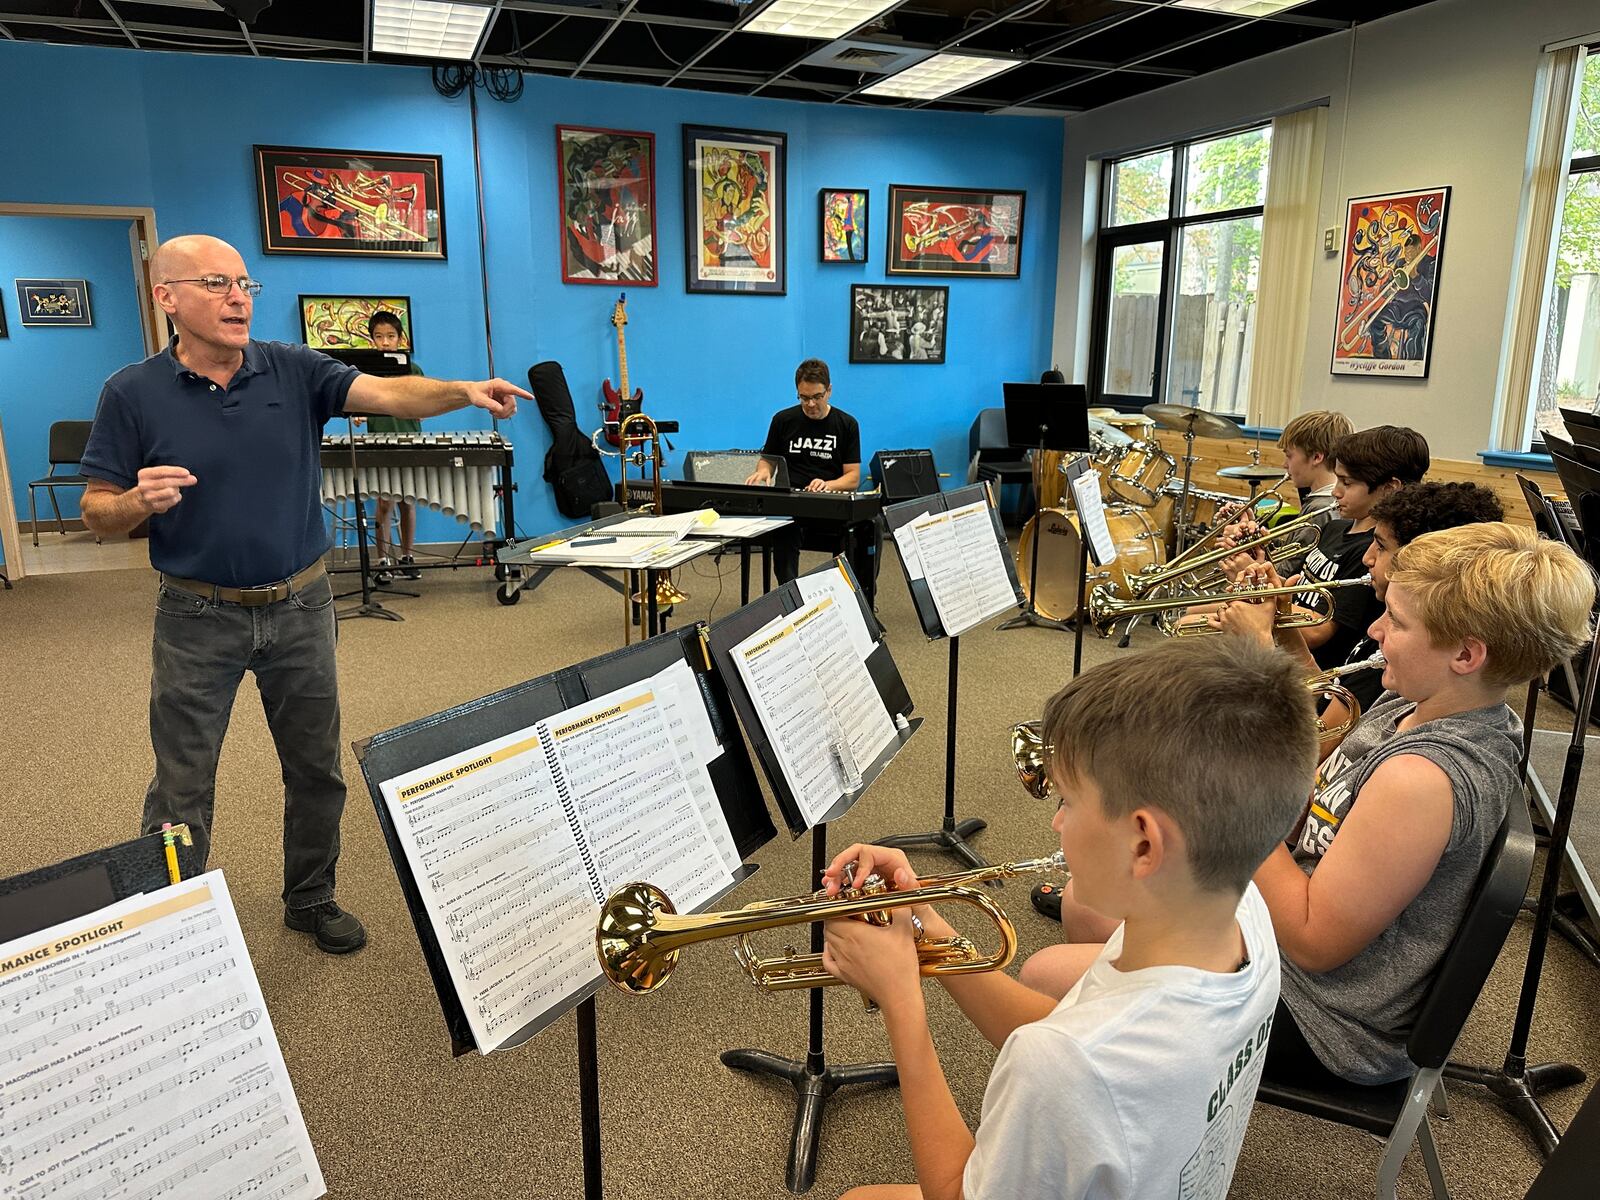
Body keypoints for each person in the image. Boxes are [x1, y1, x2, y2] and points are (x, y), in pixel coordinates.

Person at [77, 234, 530, 955]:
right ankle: (167, 923)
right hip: (196, 614)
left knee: (315, 768)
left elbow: (384, 392)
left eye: (244, 285)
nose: (237, 297)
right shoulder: (130, 393)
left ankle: (312, 896)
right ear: (167, 298)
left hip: (302, 605)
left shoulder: (292, 367)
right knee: (182, 783)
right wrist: (135, 501)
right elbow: (96, 510)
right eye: (217, 283)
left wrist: (460, 391)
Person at [1025, 523, 1594, 1087]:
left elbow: (1313, 941)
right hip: (1296, 935)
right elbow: (1318, 788)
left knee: (1043, 976)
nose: (1374, 630)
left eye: (1396, 621)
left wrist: (1229, 810)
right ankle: (1141, 1051)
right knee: (1086, 902)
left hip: (1326, 1015)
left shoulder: (1422, 780)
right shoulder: (1418, 703)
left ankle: (1143, 1063)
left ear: (1466, 654)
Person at [820, 637, 1320, 1200]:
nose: (1057, 824)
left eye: (1068, 802)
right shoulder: (1237, 911)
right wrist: (929, 929)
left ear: (1143, 845)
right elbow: (1063, 1028)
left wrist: (901, 1000)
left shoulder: (1064, 1066)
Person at [1212, 480, 1505, 729]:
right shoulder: (1390, 624)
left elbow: (1308, 755)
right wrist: (1283, 625)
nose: (1367, 558)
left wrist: (1259, 644)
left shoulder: (1409, 652)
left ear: (1422, 557)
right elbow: (1325, 695)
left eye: (1381, 546)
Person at [744, 358, 878, 604]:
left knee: (870, 528)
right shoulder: (783, 420)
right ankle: (791, 601)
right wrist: (763, 471)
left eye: (817, 396)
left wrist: (828, 484)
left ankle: (859, 602)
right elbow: (768, 460)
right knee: (784, 532)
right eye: (804, 398)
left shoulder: (846, 424)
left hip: (829, 504)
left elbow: (852, 477)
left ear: (829, 391)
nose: (811, 404)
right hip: (793, 503)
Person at [360, 310, 424, 583]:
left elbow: (424, 403)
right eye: (379, 337)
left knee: (408, 501)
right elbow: (357, 401)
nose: (385, 342)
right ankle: (382, 560)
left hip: (409, 441)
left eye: (390, 336)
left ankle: (407, 557)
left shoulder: (413, 369)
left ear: (400, 339)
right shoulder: (367, 373)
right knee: (384, 502)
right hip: (380, 442)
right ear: (372, 340)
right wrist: (358, 412)